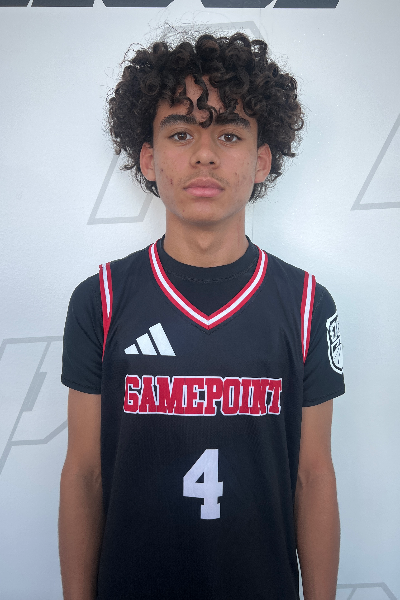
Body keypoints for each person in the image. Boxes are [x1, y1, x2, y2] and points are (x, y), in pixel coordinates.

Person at [59, 32, 345, 600]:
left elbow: (312, 476)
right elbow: (85, 475)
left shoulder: (308, 303)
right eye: (181, 133)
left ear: (262, 160)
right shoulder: (101, 299)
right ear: (148, 158)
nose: (205, 155)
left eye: (229, 134)